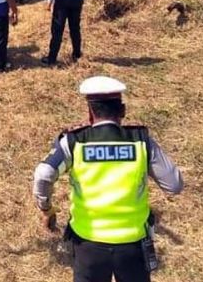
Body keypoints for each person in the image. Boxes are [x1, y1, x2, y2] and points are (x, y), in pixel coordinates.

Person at [32, 76, 184, 282]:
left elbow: (43, 175)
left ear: (90, 112)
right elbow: (174, 185)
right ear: (122, 110)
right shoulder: (141, 141)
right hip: (133, 245)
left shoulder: (74, 142)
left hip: (88, 244)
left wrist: (46, 208)